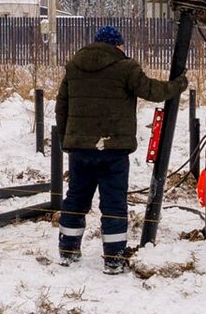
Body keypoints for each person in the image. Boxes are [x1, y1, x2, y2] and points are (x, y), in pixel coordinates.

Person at [55, 25, 189, 274]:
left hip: (80, 149)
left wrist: (68, 140)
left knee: (75, 199)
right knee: (114, 203)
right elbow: (153, 91)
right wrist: (178, 84)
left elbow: (61, 106)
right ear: (117, 45)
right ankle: (114, 259)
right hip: (113, 149)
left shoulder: (74, 67)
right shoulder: (125, 67)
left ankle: (68, 251)